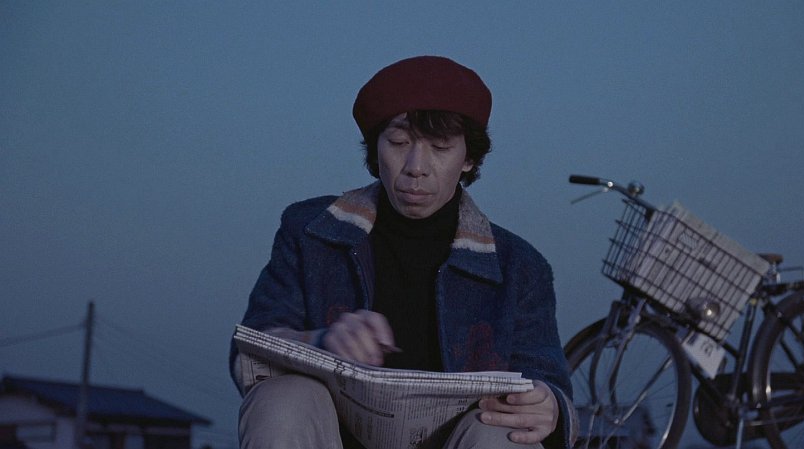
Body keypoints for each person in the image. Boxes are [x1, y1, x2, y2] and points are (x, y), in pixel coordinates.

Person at [230, 55, 577, 449]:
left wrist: (549, 406)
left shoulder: (518, 266)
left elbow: (547, 380)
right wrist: (322, 340)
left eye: (440, 147)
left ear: (469, 158)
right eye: (398, 143)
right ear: (375, 150)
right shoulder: (312, 231)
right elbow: (251, 349)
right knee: (283, 398)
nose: (416, 167)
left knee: (503, 428)